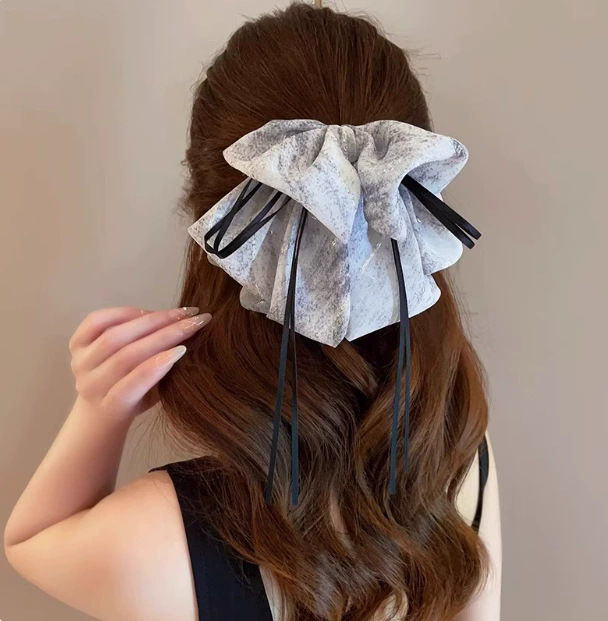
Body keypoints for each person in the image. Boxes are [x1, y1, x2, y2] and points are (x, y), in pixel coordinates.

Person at [4, 4, 501, 620]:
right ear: (414, 199)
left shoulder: (153, 540)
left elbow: (31, 542)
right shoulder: (459, 456)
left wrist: (99, 411)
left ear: (212, 218)